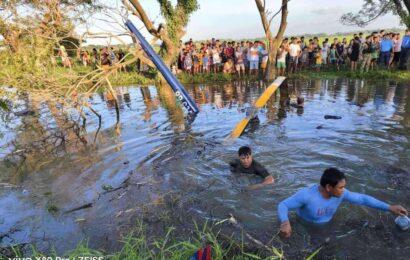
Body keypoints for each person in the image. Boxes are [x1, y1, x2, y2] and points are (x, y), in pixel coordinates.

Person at [278, 167, 408, 238]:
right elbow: (283, 205)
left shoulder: (341, 194)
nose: (344, 190)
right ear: (329, 187)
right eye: (340, 187)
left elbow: (363, 199)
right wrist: (285, 222)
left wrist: (389, 207)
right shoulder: (306, 196)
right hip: (305, 227)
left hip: (327, 226)